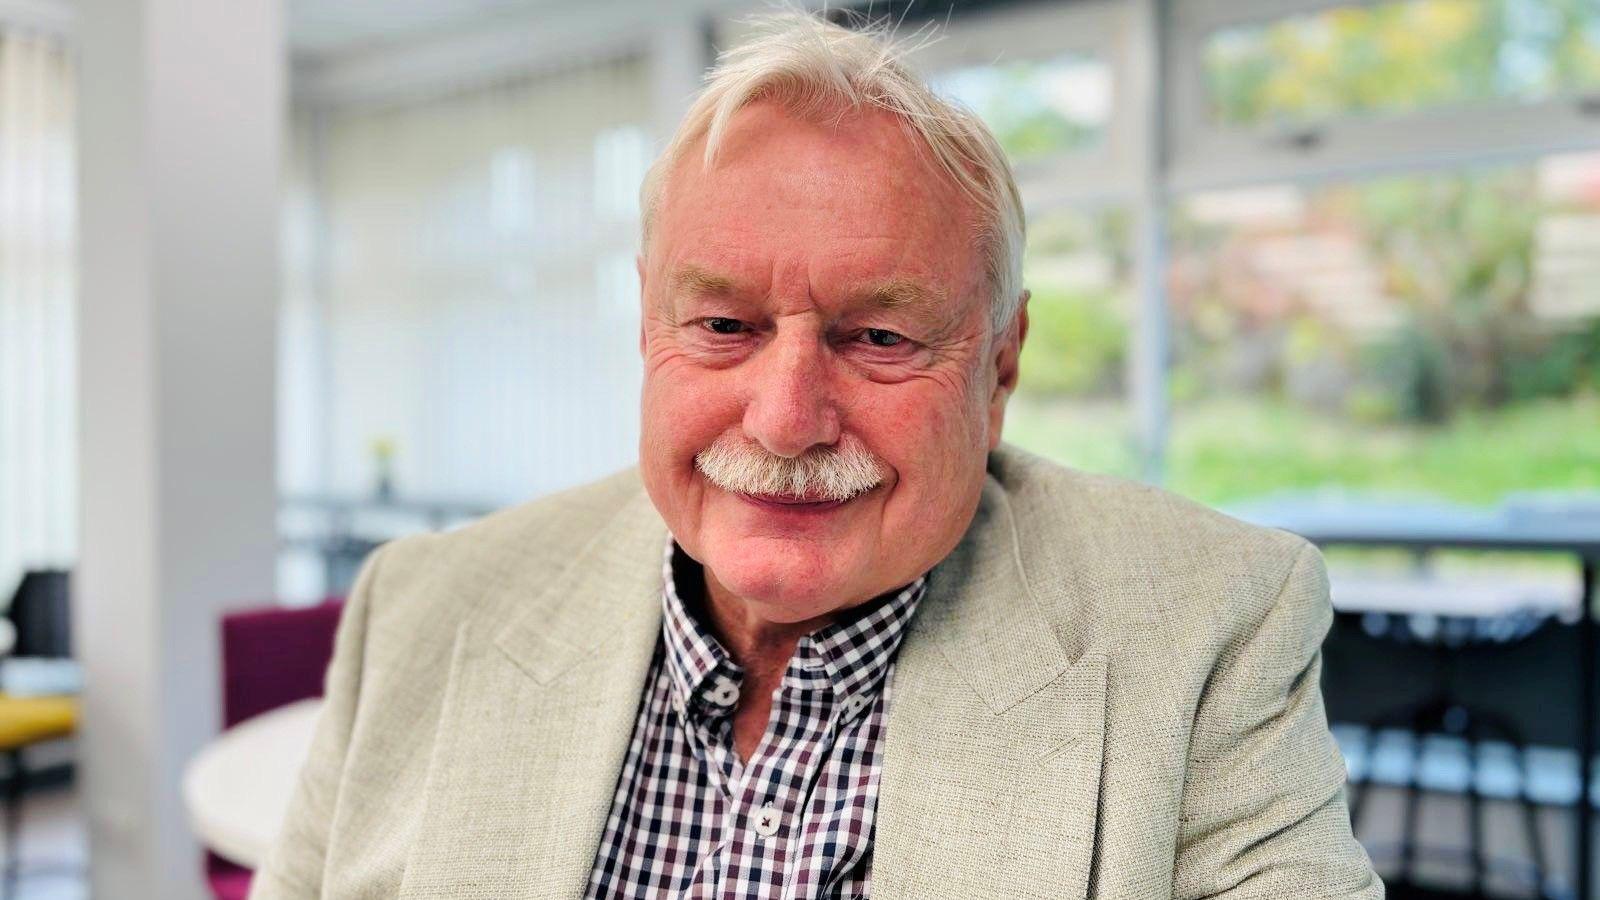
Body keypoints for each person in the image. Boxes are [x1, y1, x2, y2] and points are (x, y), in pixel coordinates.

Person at [251, 12, 1381, 899]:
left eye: (879, 338)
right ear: (651, 324)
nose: (786, 419)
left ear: (999, 364)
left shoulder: (1207, 624)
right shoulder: (422, 607)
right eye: (725, 326)